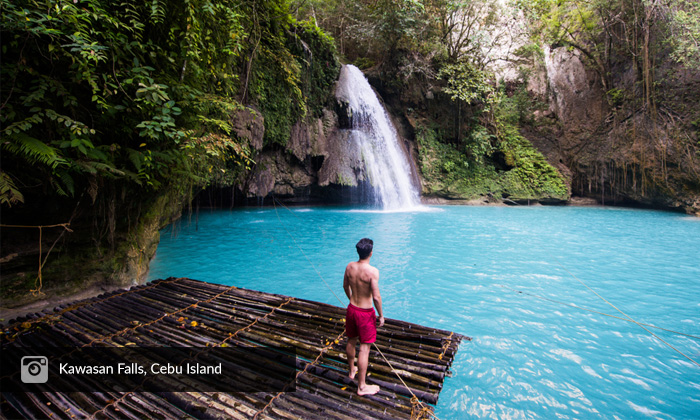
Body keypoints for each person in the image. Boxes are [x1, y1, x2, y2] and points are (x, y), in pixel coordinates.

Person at [343, 237, 384, 396]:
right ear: (371, 253)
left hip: (352, 309)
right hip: (365, 313)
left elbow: (345, 286)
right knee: (365, 348)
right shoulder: (373, 272)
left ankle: (352, 370)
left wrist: (351, 299)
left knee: (351, 340)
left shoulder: (349, 266)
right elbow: (376, 298)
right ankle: (361, 386)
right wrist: (381, 315)